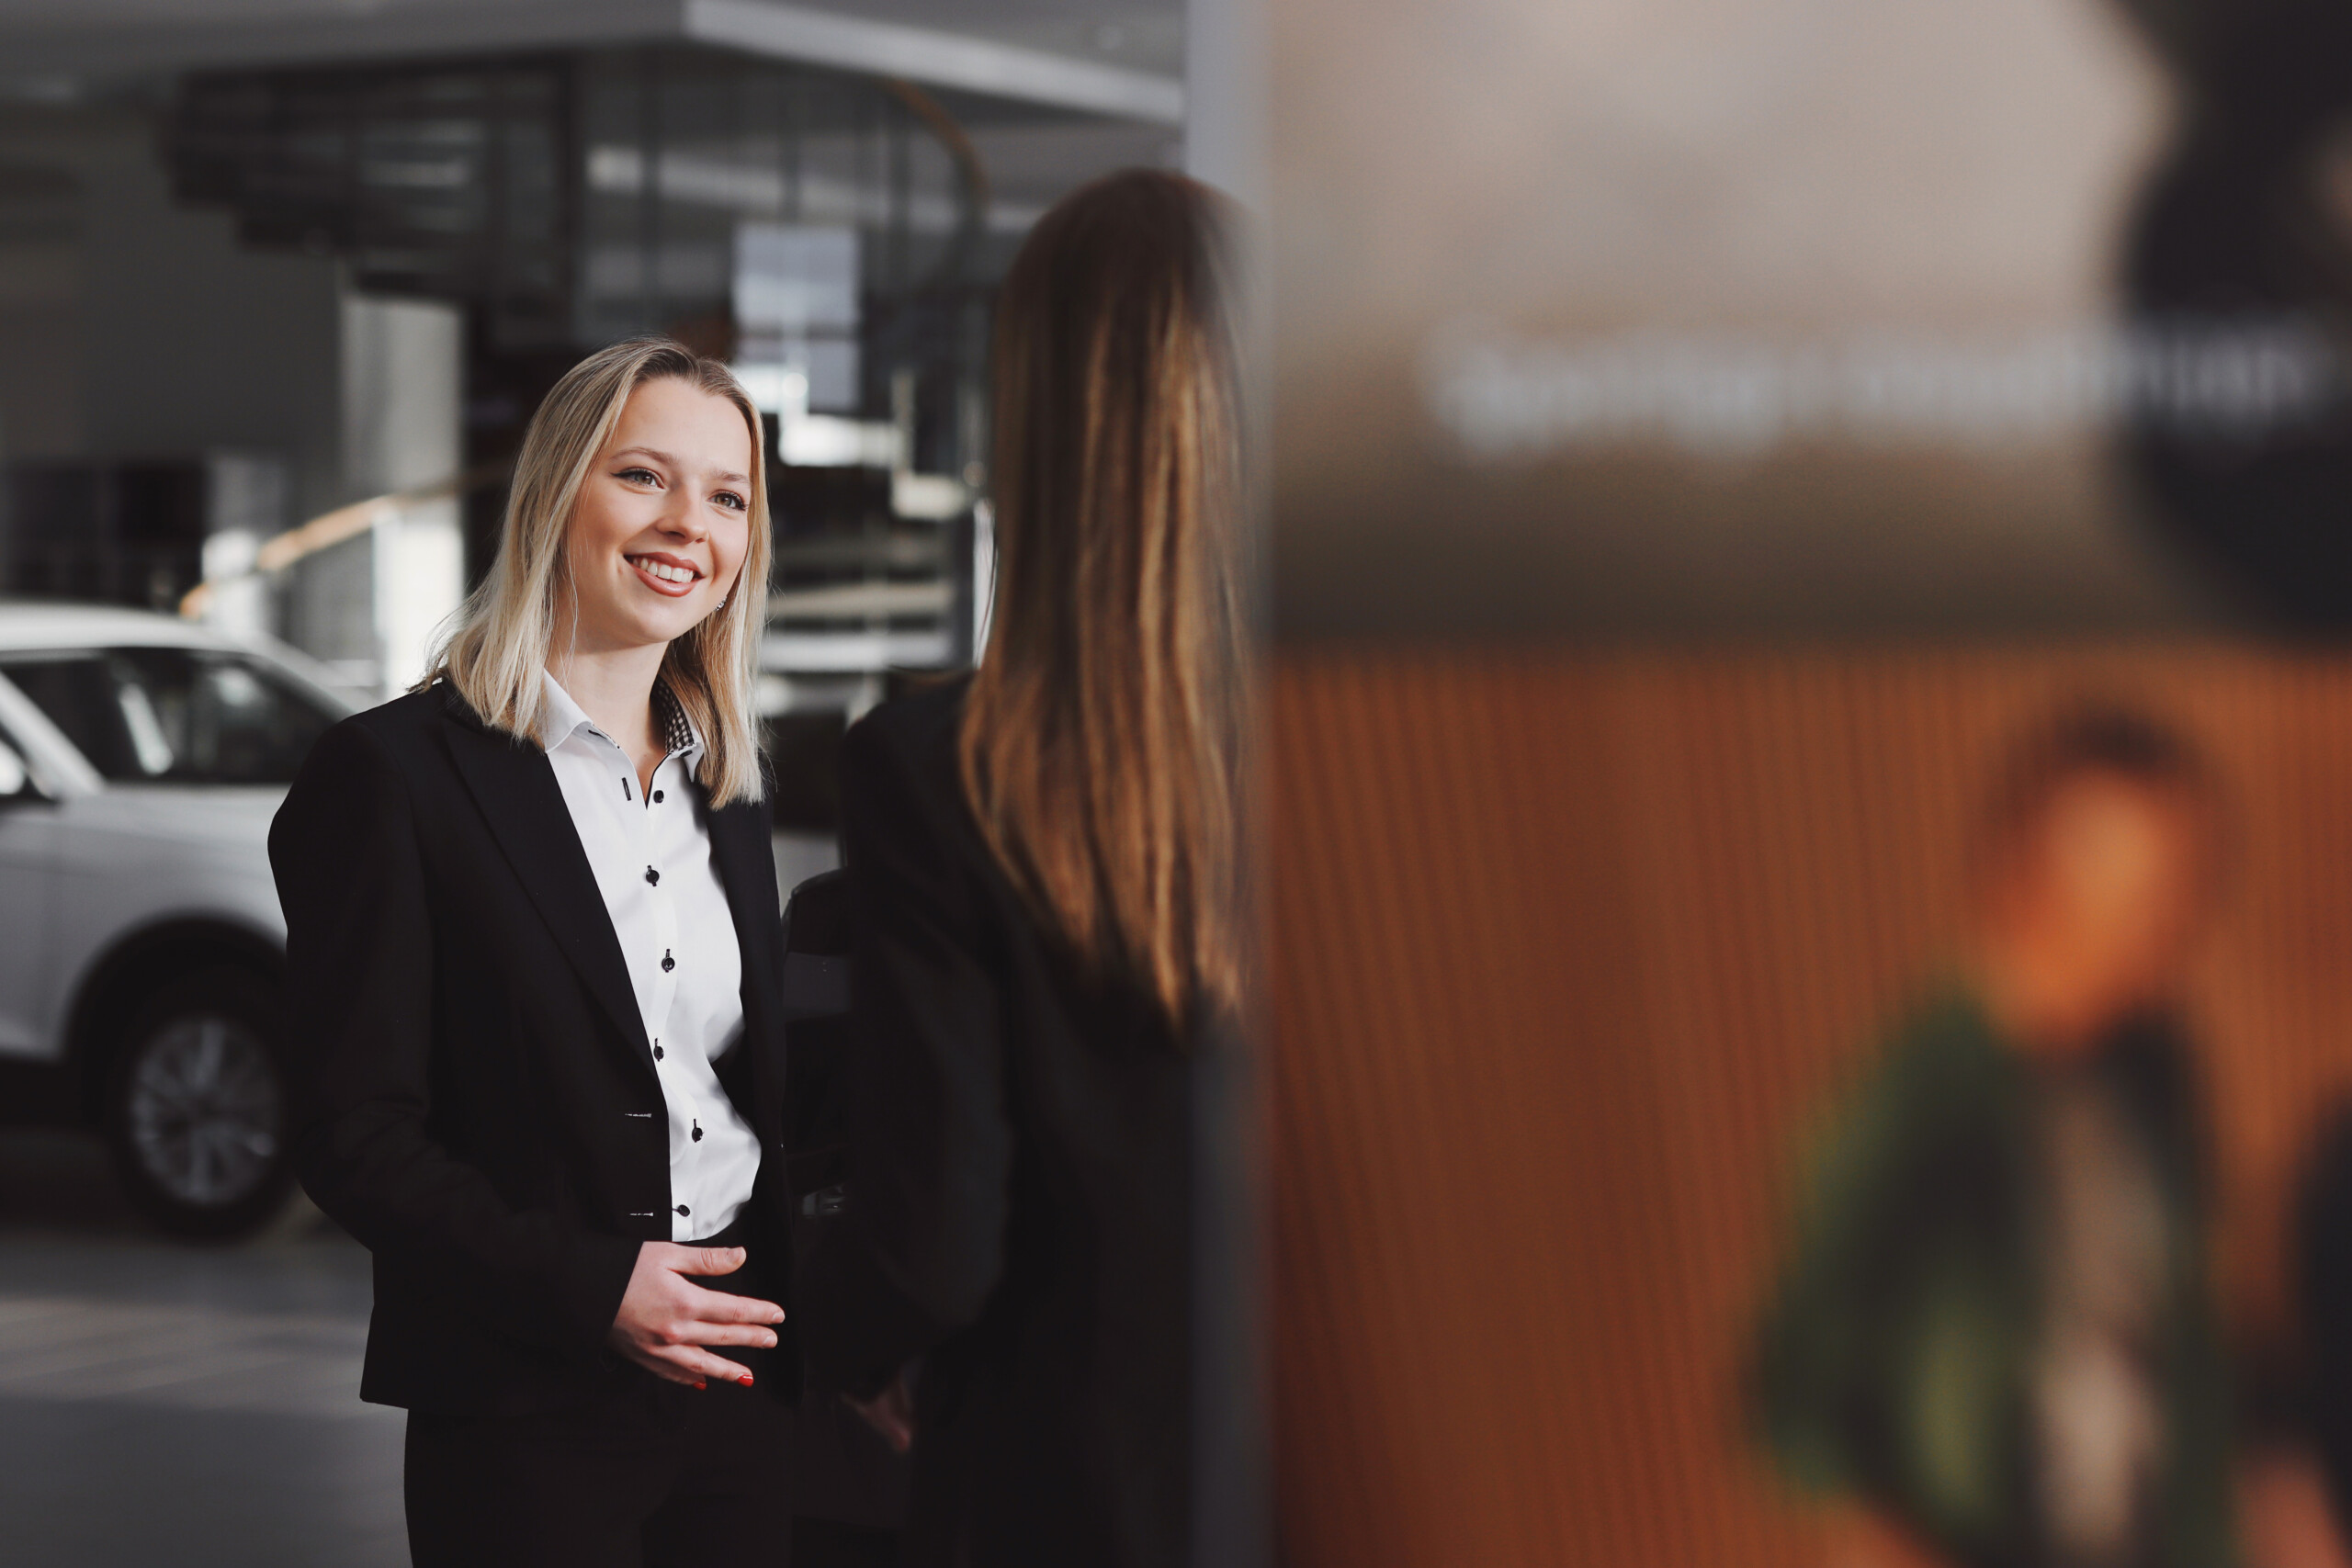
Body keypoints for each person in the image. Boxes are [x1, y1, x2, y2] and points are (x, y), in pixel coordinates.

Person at [270, 338, 796, 1568]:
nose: (690, 524)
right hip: (525, 1400)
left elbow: (740, 1091)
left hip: (746, 1384)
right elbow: (354, 1133)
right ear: (557, 491)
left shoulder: (730, 788)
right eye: (644, 476)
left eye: (727, 497)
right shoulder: (391, 775)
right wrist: (593, 1285)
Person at [794, 168, 1250, 1568]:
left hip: (1061, 1490)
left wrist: (840, 1335)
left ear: (1038, 421)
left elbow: (934, 1235)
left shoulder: (942, 773)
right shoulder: (1412, 754)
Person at [1753, 706, 2234, 1568]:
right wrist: (1883, 1533)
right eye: (2143, 888)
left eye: (2188, 881)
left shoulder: (2155, 1065)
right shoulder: (1914, 1102)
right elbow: (1796, 1396)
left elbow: (2185, 1322)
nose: (2177, 918)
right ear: (2025, 877)